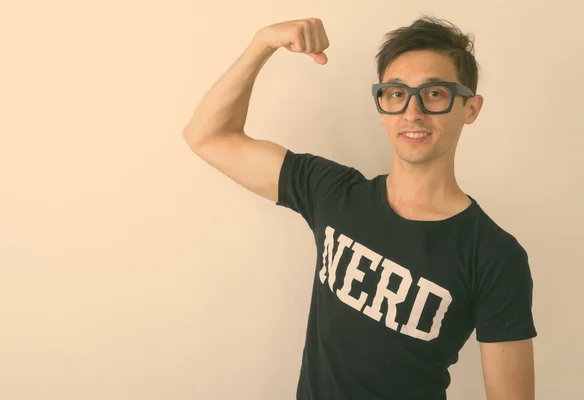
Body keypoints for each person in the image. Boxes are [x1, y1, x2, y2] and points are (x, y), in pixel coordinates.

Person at [183, 15, 537, 400]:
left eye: (435, 93)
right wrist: (262, 44)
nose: (412, 112)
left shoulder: (495, 256)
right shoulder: (333, 192)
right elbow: (207, 137)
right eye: (396, 93)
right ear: (382, 104)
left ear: (470, 108)